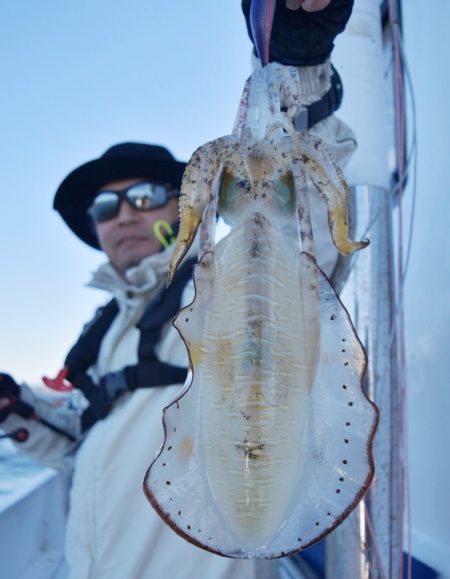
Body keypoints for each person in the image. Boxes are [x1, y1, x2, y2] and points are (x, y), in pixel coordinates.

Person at [1, 2, 355, 577]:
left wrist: (297, 62)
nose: (123, 217)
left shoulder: (225, 287)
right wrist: (18, 410)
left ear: (185, 201)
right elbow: (81, 443)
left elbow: (302, 224)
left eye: (142, 196)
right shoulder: (104, 329)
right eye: (104, 207)